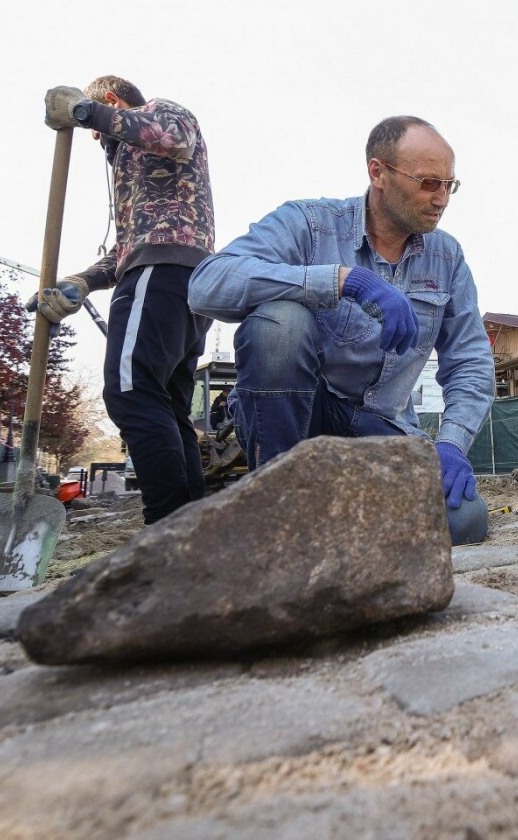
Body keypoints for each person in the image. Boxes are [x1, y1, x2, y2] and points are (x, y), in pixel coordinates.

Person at [187, 116, 493, 544]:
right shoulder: (308, 225)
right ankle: (277, 501)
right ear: (378, 172)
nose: (441, 198)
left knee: (464, 521)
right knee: (280, 322)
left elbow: (471, 361)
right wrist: (340, 281)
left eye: (449, 184)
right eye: (427, 183)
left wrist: (452, 443)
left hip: (379, 429)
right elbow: (206, 285)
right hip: (299, 421)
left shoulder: (447, 258)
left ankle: (327, 516)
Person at [33, 77, 214, 524]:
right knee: (167, 406)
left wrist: (82, 111)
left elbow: (173, 135)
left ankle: (166, 527)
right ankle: (193, 527)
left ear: (112, 102)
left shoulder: (164, 113)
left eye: (100, 121)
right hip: (180, 278)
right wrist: (82, 282)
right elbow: (129, 246)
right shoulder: (139, 168)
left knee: (130, 392)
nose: (99, 138)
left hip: (163, 274)